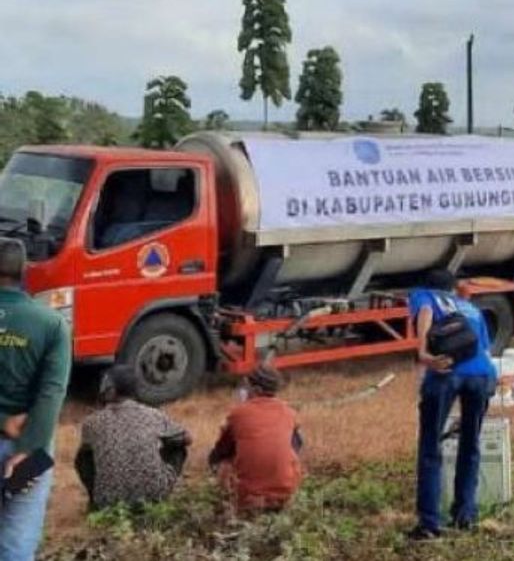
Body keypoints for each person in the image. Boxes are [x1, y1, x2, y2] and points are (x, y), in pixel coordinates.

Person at [409, 269, 498, 540]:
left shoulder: (423, 296)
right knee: (470, 444)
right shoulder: (470, 307)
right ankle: (465, 515)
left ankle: (429, 525)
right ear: (453, 288)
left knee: (430, 448)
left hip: (446, 373)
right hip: (482, 375)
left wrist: (423, 354)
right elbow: (484, 347)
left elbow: (424, 312)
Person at [0, 239, 71, 561]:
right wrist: (29, 447)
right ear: (24, 271)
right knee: (17, 539)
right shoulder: (52, 324)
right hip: (27, 444)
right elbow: (52, 391)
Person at [75, 365, 191, 510]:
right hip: (153, 498)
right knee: (177, 446)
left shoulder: (91, 422)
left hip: (108, 503)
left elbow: (84, 460)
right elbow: (187, 439)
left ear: (110, 389)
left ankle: (96, 500)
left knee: (84, 456)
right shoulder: (153, 415)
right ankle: (156, 487)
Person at [208, 364, 303, 513]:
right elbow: (296, 447)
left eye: (247, 386)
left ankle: (234, 503)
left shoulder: (238, 414)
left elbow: (220, 452)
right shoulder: (289, 413)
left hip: (248, 498)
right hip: (285, 493)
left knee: (222, 463)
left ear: (256, 390)